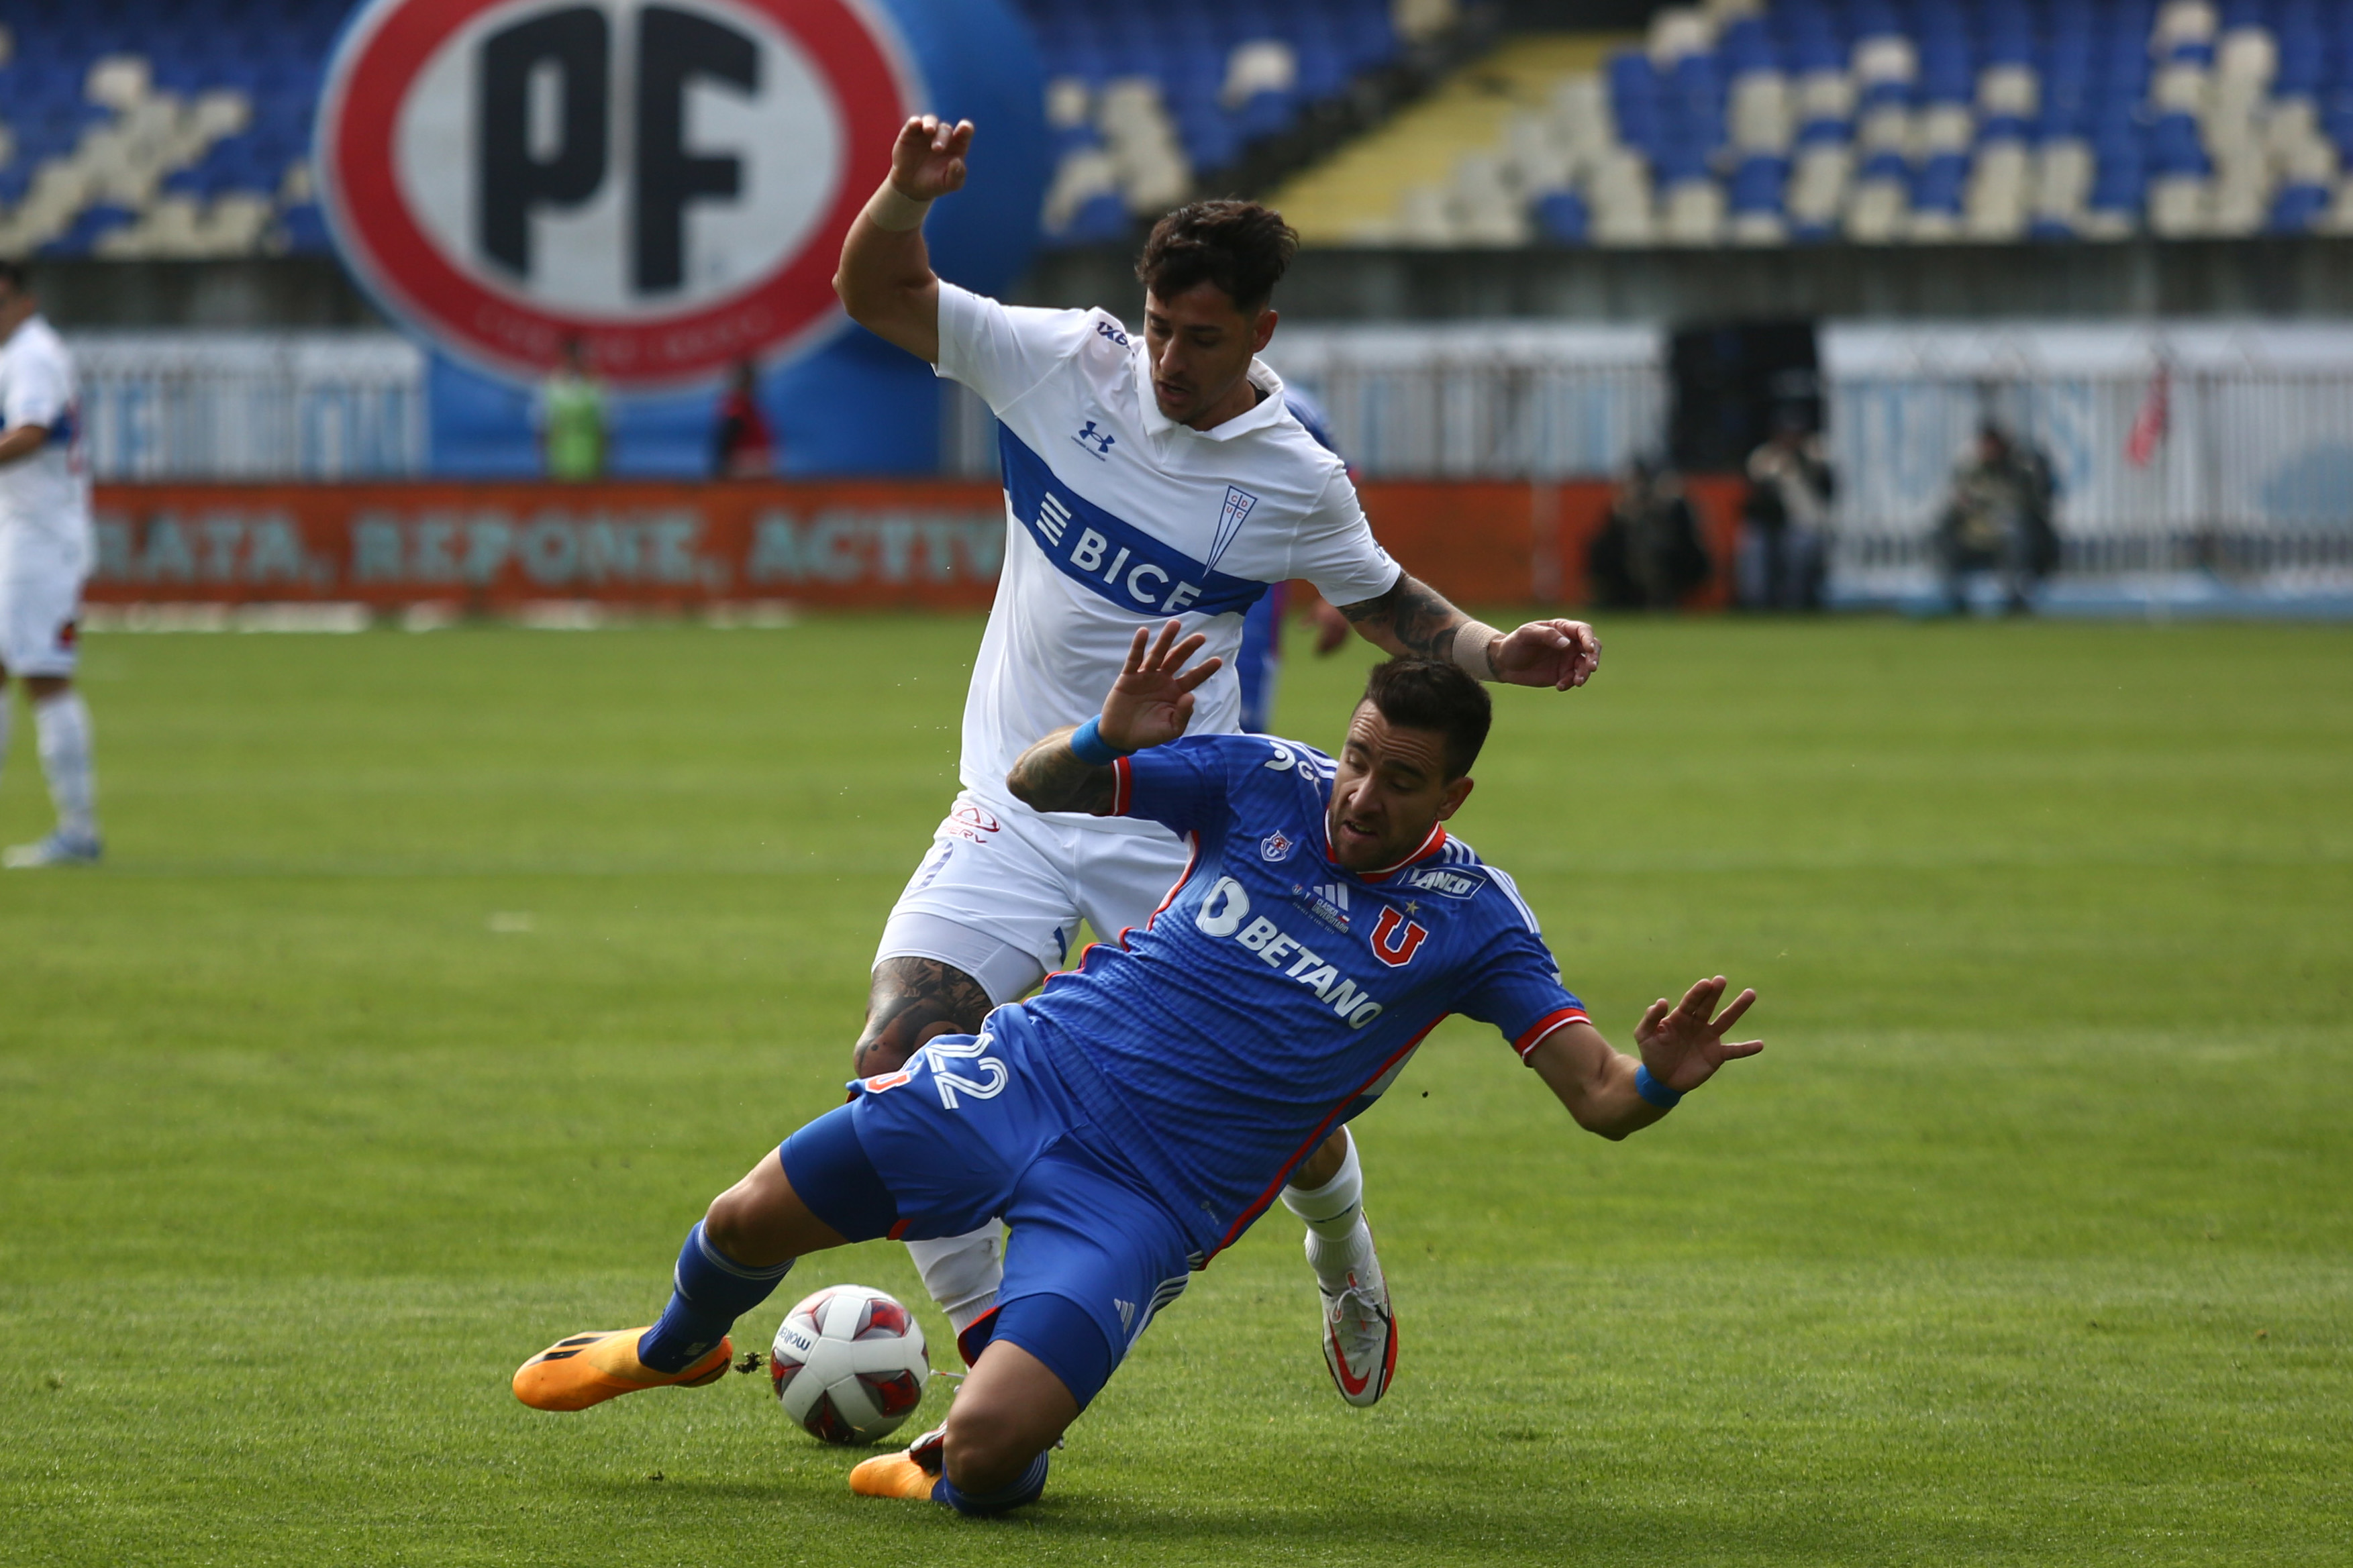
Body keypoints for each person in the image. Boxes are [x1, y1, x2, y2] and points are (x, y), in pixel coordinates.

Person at [508, 627, 1763, 1519]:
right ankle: (672, 1346)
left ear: (1456, 790)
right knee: (743, 1217)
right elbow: (1036, 782)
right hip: (1033, 1074)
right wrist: (1109, 732)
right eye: (1360, 755)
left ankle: (948, 1453)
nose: (1361, 794)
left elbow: (1600, 1100)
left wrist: (1655, 1079)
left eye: (1400, 780)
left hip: (1146, 1202)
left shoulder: (1474, 920)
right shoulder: (1263, 778)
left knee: (995, 1460)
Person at [829, 113, 1603, 1405]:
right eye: (1160, 326)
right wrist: (905, 197)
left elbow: (1380, 599)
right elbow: (874, 290)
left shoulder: (1293, 473)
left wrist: (1490, 651)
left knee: (1278, 1117)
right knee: (896, 1055)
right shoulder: (1062, 364)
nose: (1171, 362)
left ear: (1260, 335)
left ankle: (1342, 1250)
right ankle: (986, 1359)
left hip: (1182, 822)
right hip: (1019, 792)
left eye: (1202, 338)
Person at [0, 260, 102, 869]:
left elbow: (33, 432)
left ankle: (79, 830)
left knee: (44, 675)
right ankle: (76, 830)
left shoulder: (33, 354)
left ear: (25, 301)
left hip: (41, 542)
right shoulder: (18, 352)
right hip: (18, 534)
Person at [1234, 386, 1354, 733]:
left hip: (1250, 599)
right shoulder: (1145, 391)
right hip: (1146, 591)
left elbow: (1345, 496)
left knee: (1237, 740)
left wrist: (1339, 591)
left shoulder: (1291, 409)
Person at [1936, 423, 2059, 615]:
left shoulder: (2020, 471)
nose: (1989, 450)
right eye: (1986, 445)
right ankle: (1954, 599)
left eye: (1993, 444)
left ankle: (2016, 597)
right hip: (1977, 540)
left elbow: (2037, 504)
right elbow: (1957, 505)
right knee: (1942, 535)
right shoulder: (1971, 472)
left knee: (2018, 534)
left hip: (2009, 540)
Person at [1589, 456, 1712, 611]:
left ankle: (1661, 601)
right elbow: (1608, 542)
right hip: (1629, 566)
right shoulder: (1625, 508)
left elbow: (1683, 541)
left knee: (1651, 561)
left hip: (1677, 561)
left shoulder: (1673, 504)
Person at [1738, 415, 1834, 611]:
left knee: (1799, 555)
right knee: (1755, 550)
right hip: (1771, 524)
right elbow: (1757, 490)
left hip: (1803, 524)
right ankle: (1758, 607)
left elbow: (1827, 487)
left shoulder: (1813, 454)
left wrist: (1804, 462)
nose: (1791, 438)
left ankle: (1795, 607)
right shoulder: (1765, 456)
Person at [534, 337, 607, 482]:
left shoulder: (597, 387)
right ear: (561, 357)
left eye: (577, 356)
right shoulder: (549, 387)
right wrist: (545, 467)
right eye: (569, 356)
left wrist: (604, 467)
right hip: (558, 466)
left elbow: (605, 431)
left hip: (591, 465)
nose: (573, 361)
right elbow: (542, 431)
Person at [711, 359, 777, 478]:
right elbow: (728, 434)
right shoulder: (738, 404)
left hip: (755, 466)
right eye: (749, 380)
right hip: (745, 468)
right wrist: (721, 465)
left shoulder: (749, 404)